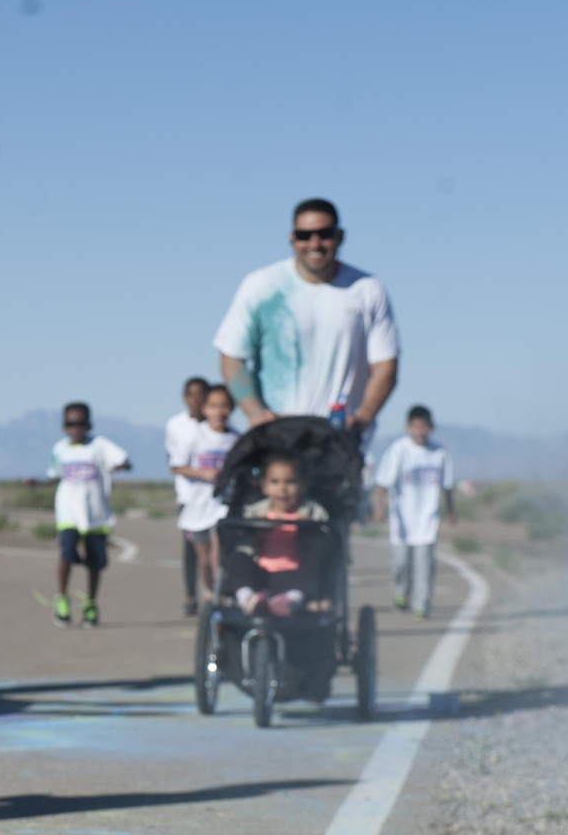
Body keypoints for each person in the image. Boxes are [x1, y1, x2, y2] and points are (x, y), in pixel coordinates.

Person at [212, 198, 400, 437]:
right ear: (292, 238)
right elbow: (231, 356)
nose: (315, 243)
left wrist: (362, 417)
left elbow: (386, 366)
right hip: (278, 435)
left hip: (340, 438)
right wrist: (256, 412)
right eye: (304, 235)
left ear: (340, 236)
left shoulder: (368, 289)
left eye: (324, 234)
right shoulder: (261, 286)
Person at [48, 401, 130, 627]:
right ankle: (62, 599)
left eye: (81, 423)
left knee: (95, 562)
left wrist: (120, 466)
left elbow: (124, 460)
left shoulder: (100, 445)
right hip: (68, 513)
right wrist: (37, 483)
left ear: (89, 425)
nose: (76, 428)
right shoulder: (59, 449)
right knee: (66, 553)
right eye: (71, 423)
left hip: (96, 514)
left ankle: (91, 604)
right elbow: (54, 474)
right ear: (64, 426)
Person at [371, 405, 455, 618]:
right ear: (408, 427)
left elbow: (447, 486)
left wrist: (451, 511)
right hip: (402, 522)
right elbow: (381, 484)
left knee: (425, 567)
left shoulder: (440, 453)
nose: (420, 431)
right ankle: (401, 592)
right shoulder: (399, 450)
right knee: (401, 564)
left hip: (427, 521)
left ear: (431, 428)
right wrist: (379, 509)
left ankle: (421, 605)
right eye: (415, 427)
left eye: (424, 427)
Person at [232, 455, 330, 617]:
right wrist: (255, 530)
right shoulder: (254, 512)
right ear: (264, 486)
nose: (282, 489)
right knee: (238, 558)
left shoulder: (313, 512)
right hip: (260, 572)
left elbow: (327, 539)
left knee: (315, 560)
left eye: (290, 482)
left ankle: (291, 600)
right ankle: (247, 598)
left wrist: (311, 528)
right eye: (275, 482)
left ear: (303, 485)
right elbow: (243, 541)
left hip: (295, 573)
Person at [174, 385, 241, 614]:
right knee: (203, 558)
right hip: (197, 506)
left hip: (222, 506)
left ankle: (220, 595)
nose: (219, 411)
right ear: (205, 408)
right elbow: (177, 466)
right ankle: (210, 591)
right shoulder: (193, 436)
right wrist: (202, 473)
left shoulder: (236, 439)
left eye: (224, 406)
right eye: (213, 406)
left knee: (218, 553)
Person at [164, 377, 211, 614]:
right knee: (192, 550)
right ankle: (191, 596)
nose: (197, 399)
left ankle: (213, 593)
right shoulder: (176, 425)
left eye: (202, 394)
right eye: (192, 394)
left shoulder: (218, 425)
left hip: (214, 500)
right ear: (185, 397)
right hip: (188, 497)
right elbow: (173, 460)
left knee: (214, 551)